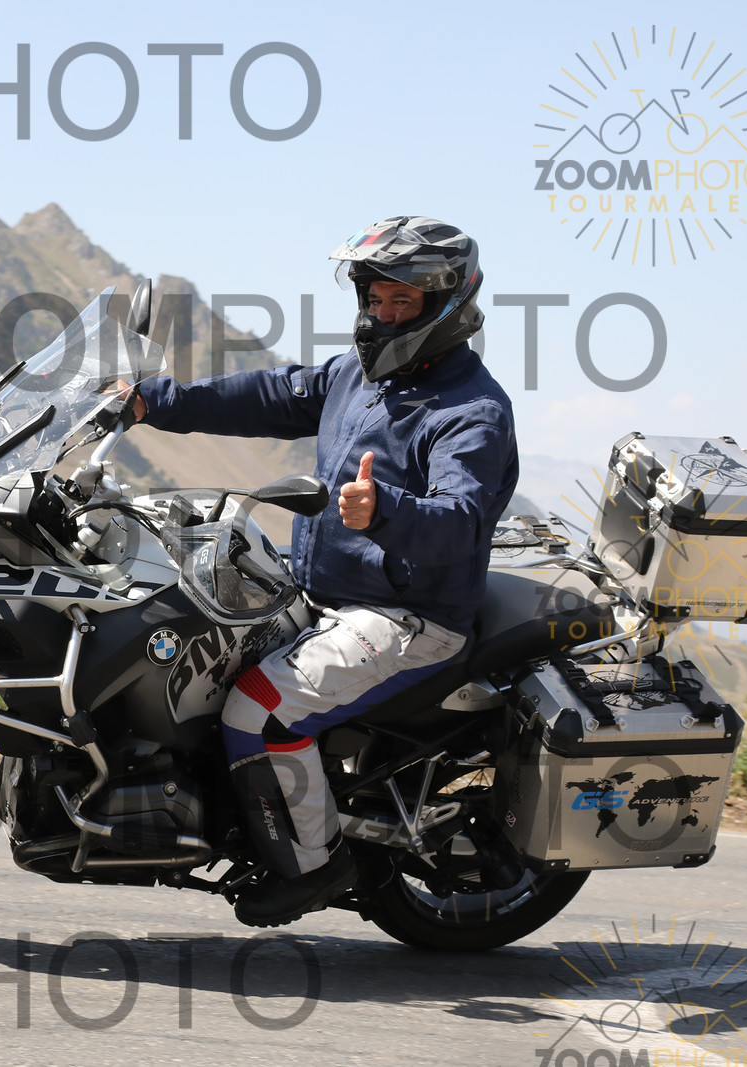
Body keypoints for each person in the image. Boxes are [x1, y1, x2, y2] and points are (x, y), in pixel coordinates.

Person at [130, 217, 518, 927]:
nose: (383, 314)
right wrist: (154, 402)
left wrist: (385, 511)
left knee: (259, 706)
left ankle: (315, 864)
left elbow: (462, 520)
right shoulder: (359, 375)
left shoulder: (473, 411)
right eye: (375, 298)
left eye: (402, 301)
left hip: (405, 617)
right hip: (323, 590)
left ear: (446, 304)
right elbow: (269, 395)